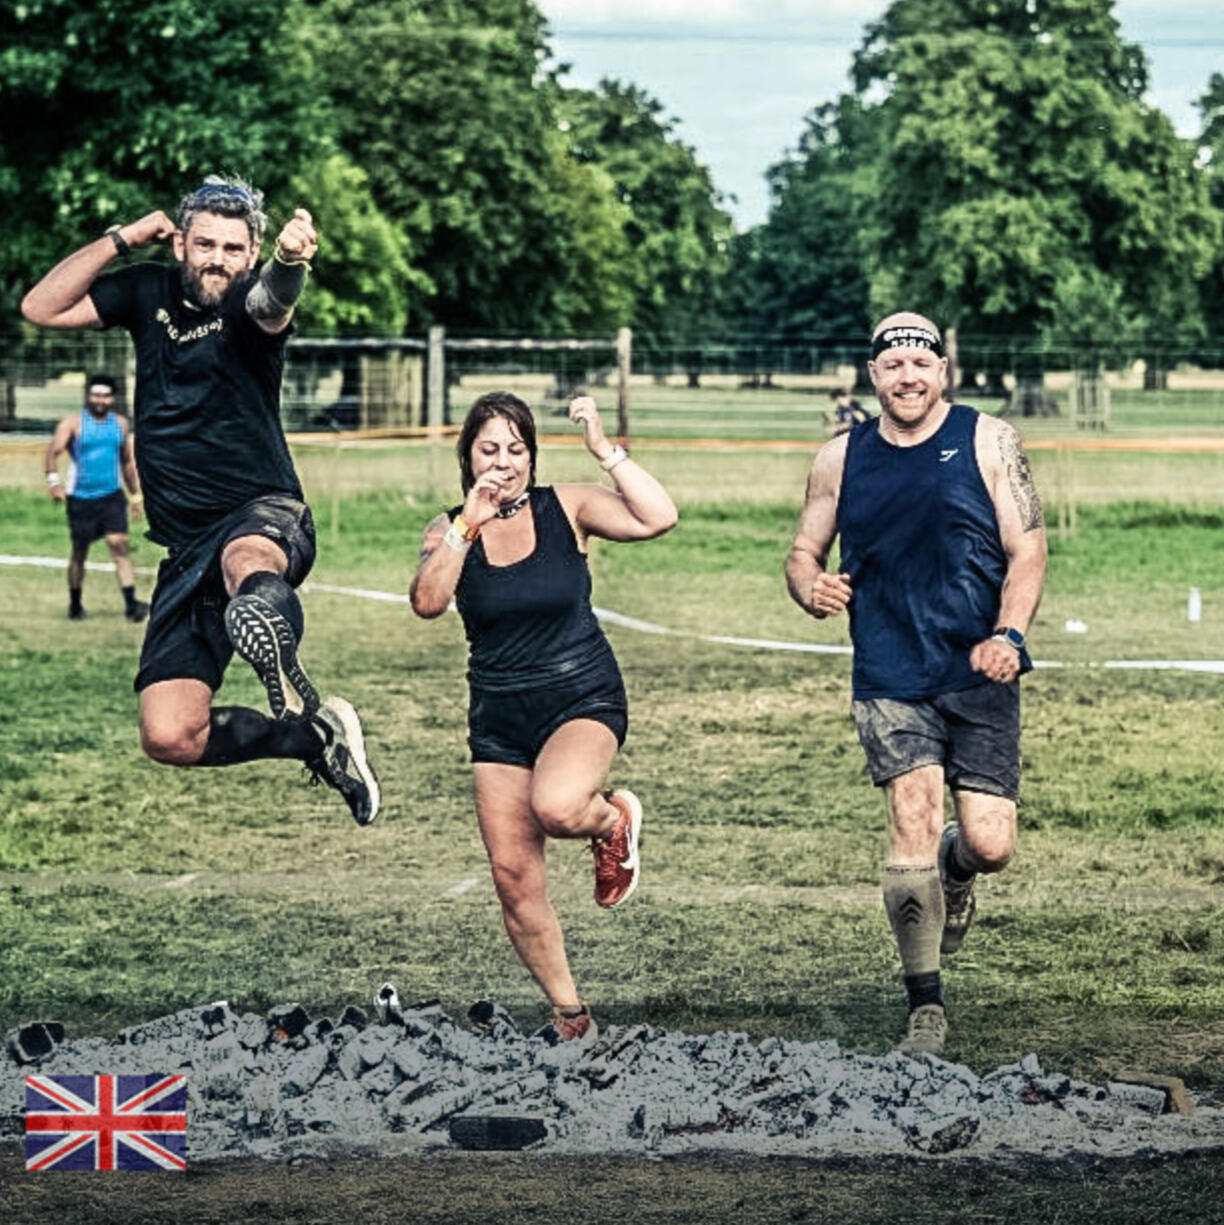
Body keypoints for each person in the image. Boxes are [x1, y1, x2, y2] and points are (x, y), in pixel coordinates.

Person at [20, 175, 378, 825]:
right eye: (205, 243)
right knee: (169, 733)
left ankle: (267, 627)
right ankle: (311, 737)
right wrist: (123, 238)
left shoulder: (248, 304)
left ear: (251, 253)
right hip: (184, 552)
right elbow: (40, 308)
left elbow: (274, 298)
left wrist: (289, 261)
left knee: (247, 567)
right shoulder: (145, 290)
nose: (218, 259)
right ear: (180, 242)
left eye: (234, 248)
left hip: (262, 511)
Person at [785, 312, 1047, 1055]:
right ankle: (925, 1006)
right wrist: (809, 586)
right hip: (889, 668)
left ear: (942, 371)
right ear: (874, 375)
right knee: (913, 815)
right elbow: (803, 551)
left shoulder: (989, 440)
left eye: (920, 364)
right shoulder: (840, 457)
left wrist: (1009, 633)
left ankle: (957, 871)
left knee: (991, 843)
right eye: (893, 365)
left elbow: (1028, 548)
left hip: (979, 665)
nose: (908, 377)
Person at [410, 391, 677, 1042]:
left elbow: (659, 516)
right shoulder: (449, 529)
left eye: (517, 449)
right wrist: (467, 524)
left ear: (532, 455)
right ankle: (571, 1015)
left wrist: (605, 451)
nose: (504, 462)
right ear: (468, 457)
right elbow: (427, 601)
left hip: (580, 695)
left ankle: (612, 820)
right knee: (514, 879)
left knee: (557, 806)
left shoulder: (569, 507)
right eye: (490, 449)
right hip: (499, 717)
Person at [44, 373, 149, 622]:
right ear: (88, 396)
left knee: (118, 543)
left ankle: (131, 604)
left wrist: (135, 494)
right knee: (80, 550)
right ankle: (75, 604)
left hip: (111, 496)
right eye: (96, 395)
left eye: (105, 395)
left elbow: (127, 461)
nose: (100, 400)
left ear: (112, 398)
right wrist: (54, 482)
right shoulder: (73, 424)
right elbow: (53, 452)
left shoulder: (120, 424)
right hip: (81, 498)